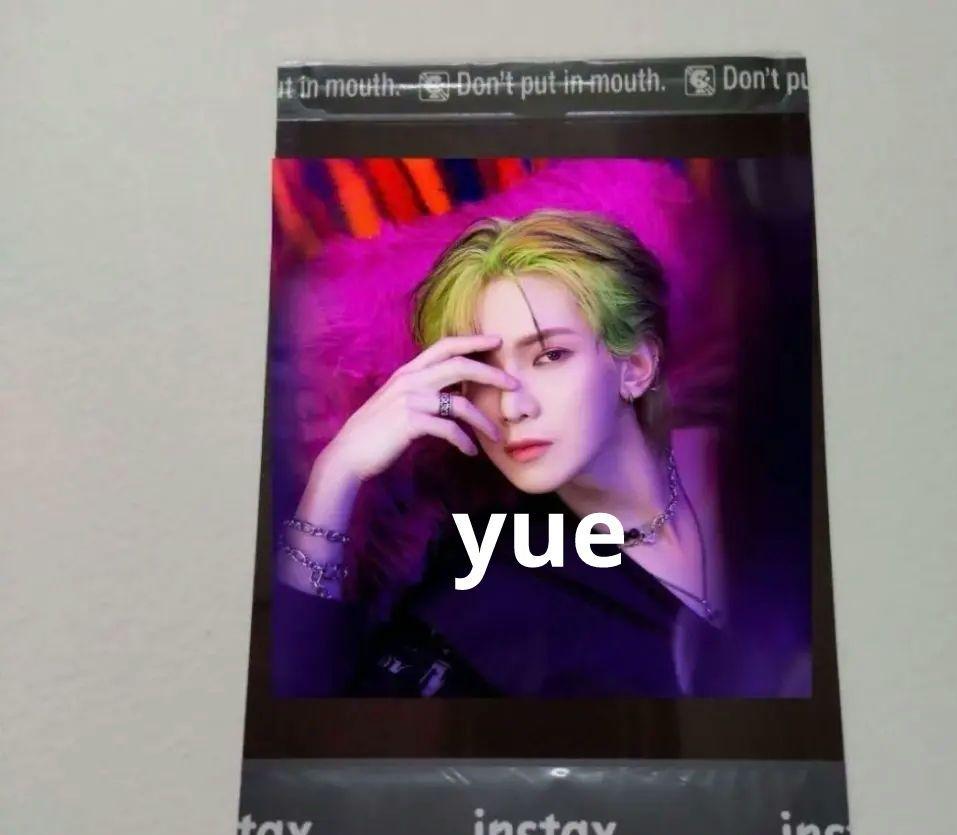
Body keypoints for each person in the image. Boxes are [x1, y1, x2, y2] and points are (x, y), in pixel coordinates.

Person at [272, 209, 807, 698]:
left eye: (550, 355)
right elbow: (308, 725)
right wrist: (336, 472)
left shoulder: (765, 456)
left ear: (636, 367)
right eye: (481, 371)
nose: (512, 405)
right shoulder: (487, 585)